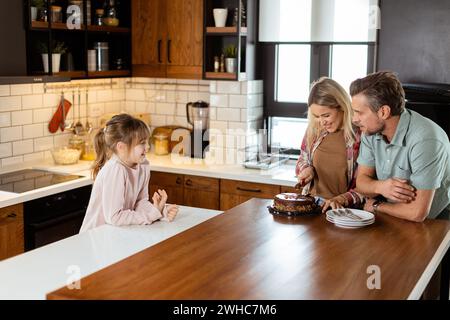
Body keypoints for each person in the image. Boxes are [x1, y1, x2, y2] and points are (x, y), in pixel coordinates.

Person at [351, 71, 450, 221]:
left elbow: (418, 213)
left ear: (384, 112)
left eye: (359, 113)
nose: (354, 119)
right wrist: (381, 187)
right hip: (394, 217)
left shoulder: (426, 139)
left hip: (435, 223)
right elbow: (362, 183)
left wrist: (377, 206)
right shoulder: (370, 132)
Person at [80, 114, 179, 232]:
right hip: (96, 237)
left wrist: (159, 211)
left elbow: (139, 202)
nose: (147, 147)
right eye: (142, 143)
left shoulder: (143, 165)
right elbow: (114, 217)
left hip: (116, 234)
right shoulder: (115, 170)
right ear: (121, 147)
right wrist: (151, 215)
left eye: (147, 141)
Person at [296, 77, 364, 213]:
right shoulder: (314, 129)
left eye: (326, 115)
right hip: (311, 206)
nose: (321, 122)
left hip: (343, 211)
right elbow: (302, 158)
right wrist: (306, 169)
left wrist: (341, 200)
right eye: (316, 116)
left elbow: (365, 188)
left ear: (342, 106)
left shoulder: (360, 135)